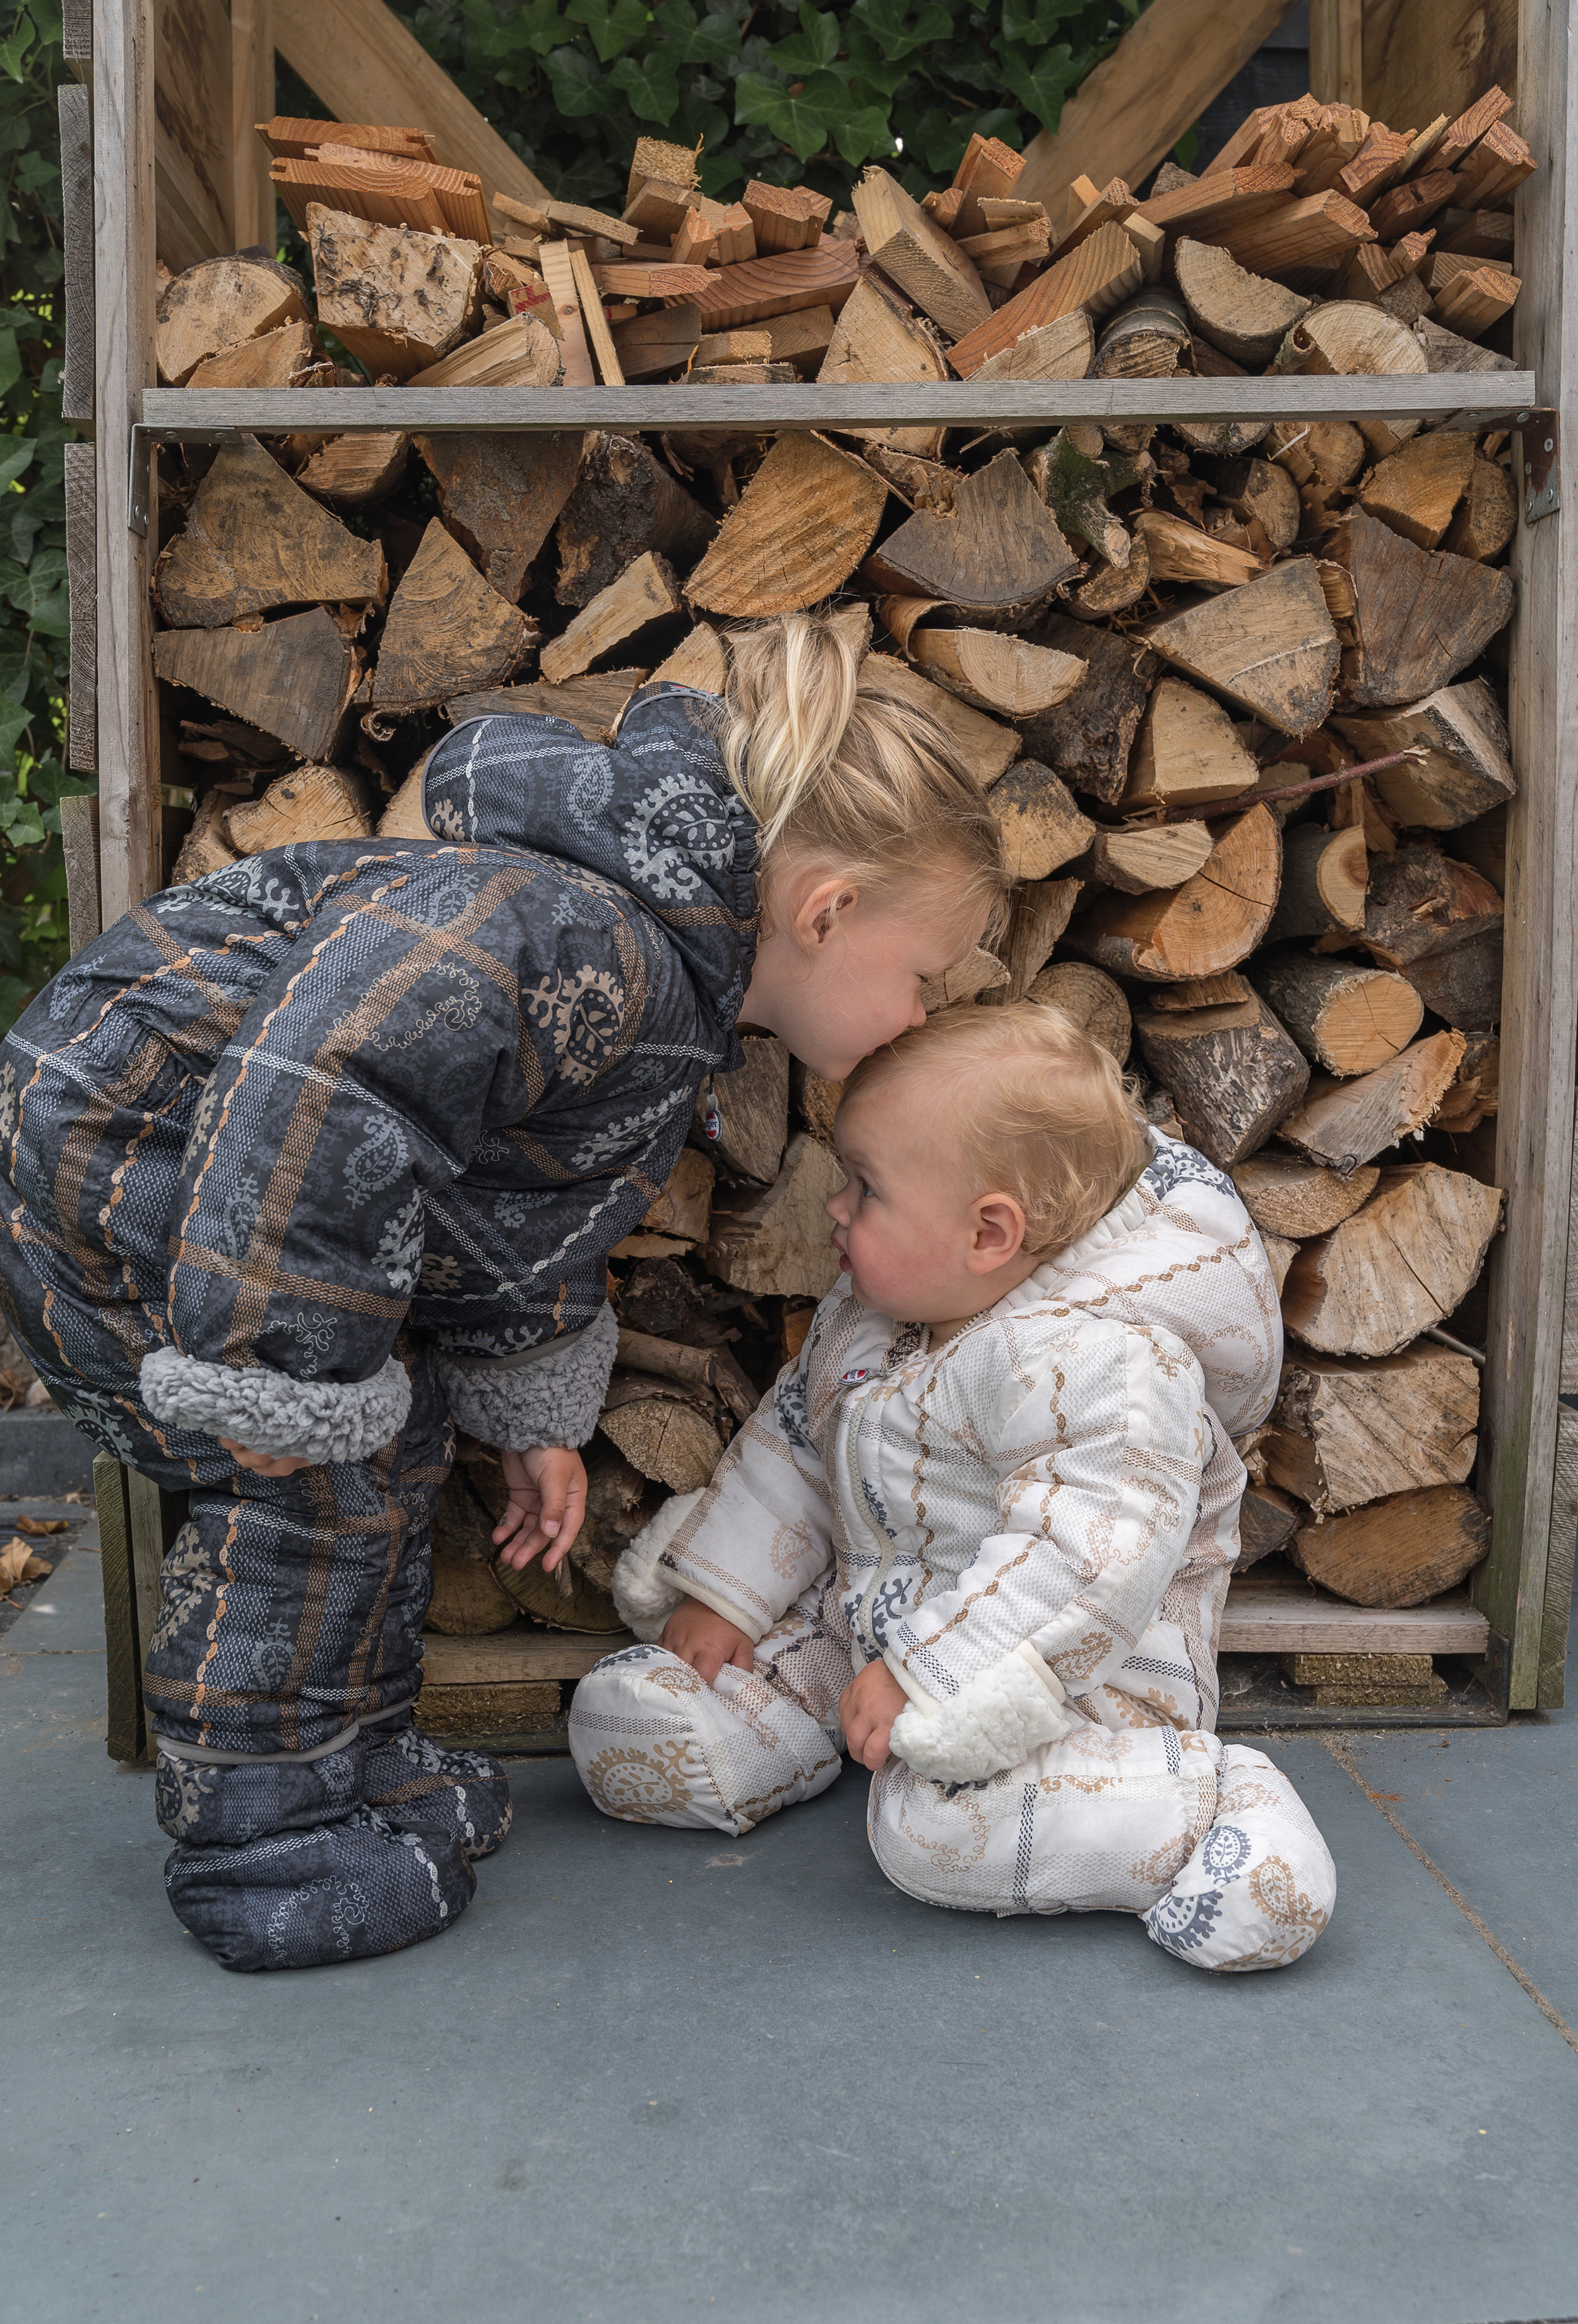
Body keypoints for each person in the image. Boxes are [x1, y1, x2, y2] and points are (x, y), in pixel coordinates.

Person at [0, 614, 1004, 1971]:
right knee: (309, 1480)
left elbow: (505, 1191)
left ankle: (349, 1766)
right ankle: (263, 1843)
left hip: (219, 1179)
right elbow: (331, 1077)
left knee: (386, 1441)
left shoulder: (651, 978)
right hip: (128, 1146)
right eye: (922, 976)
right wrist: (278, 1373)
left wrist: (526, 1397)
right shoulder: (578, 926)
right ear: (825, 913)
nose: (919, 1018)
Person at [571, 1000, 1336, 1972]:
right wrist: (727, 1592)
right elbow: (797, 1444)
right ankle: (752, 1733)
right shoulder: (878, 1314)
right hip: (876, 1634)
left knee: (932, 1834)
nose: (835, 1209)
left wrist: (937, 1678)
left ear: (989, 1233)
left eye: (865, 1188)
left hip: (1062, 1685)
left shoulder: (1101, 1365)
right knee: (631, 1717)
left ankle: (1208, 1804)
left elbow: (1089, 1559)